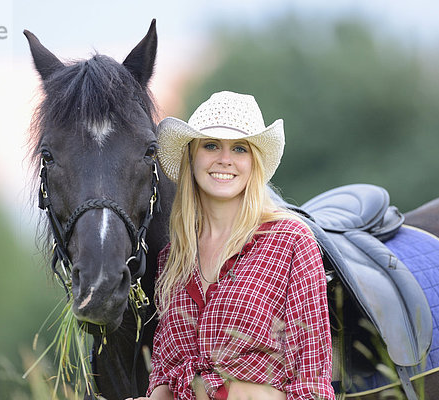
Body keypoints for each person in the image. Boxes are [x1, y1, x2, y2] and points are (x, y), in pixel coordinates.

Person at [128, 91, 334, 400]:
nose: (225, 159)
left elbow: (311, 384)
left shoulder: (290, 241)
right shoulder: (173, 257)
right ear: (192, 157)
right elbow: (164, 372)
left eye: (239, 148)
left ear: (253, 163)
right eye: (211, 145)